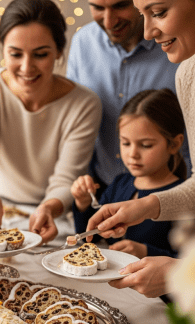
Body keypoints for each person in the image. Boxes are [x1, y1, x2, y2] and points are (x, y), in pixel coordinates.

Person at [0, 0, 102, 243]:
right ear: (3, 49)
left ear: (59, 52)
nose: (27, 67)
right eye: (15, 54)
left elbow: (66, 178)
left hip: (55, 214)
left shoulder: (84, 103)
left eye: (41, 54)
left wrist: (48, 208)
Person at [86, 0, 195, 297]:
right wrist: (145, 207)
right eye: (142, 15)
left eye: (158, 13)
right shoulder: (188, 73)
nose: (147, 32)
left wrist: (179, 271)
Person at [66, 0, 191, 196]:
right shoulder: (82, 42)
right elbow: (74, 123)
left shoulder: (180, 44)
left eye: (120, 5)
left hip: (176, 191)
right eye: (98, 7)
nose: (108, 22)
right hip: (104, 189)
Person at [72, 89, 186, 259]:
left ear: (174, 144)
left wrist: (146, 252)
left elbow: (187, 263)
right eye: (125, 143)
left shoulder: (182, 199)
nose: (133, 154)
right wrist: (83, 203)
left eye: (146, 145)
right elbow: (91, 237)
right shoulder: (120, 183)